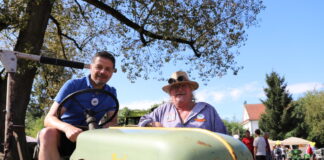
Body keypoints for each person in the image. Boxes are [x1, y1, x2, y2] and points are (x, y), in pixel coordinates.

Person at [38, 51, 118, 160]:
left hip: (92, 136)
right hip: (65, 135)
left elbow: (112, 121)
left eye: (108, 69)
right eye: (99, 67)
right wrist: (67, 128)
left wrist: (104, 130)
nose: (103, 72)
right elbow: (49, 119)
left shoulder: (111, 92)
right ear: (91, 67)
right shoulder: (73, 85)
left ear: (112, 72)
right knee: (47, 133)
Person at [138, 71, 227, 134]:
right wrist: (152, 124)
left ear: (191, 89)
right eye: (175, 87)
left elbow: (223, 138)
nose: (179, 89)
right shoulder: (163, 109)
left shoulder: (207, 110)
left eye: (183, 85)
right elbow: (142, 121)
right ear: (170, 93)